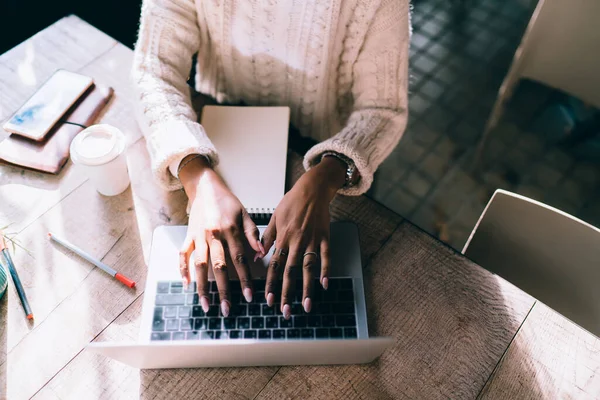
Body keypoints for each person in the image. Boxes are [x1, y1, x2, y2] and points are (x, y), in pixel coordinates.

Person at [132, 0, 409, 320]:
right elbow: (153, 69)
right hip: (220, 139)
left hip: (333, 153)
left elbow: (383, 110)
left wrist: (328, 175)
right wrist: (195, 175)